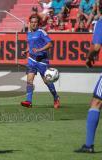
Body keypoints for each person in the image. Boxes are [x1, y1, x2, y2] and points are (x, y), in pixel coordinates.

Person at [75, 0, 102, 153]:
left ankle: (89, 145)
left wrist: (89, 57)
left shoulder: (100, 22)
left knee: (96, 102)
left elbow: (96, 47)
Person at [21, 14, 60, 109]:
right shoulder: (29, 33)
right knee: (29, 80)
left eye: (35, 22)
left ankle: (56, 97)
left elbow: (50, 44)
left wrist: (39, 50)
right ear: (29, 23)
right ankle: (28, 101)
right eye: (32, 22)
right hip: (31, 60)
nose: (34, 24)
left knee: (47, 81)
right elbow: (31, 46)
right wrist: (26, 51)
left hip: (42, 61)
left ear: (38, 23)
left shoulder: (41, 32)